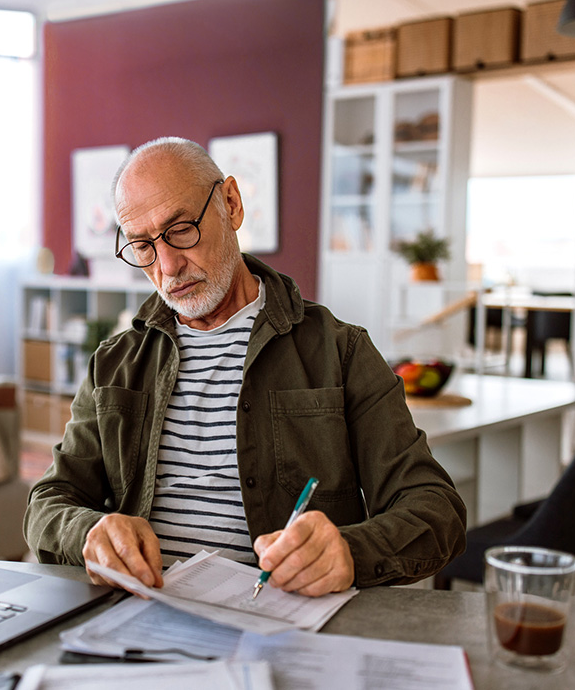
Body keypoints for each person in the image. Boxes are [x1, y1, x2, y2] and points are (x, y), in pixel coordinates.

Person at [24, 137, 466, 597]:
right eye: (142, 246)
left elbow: (437, 511)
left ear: (231, 204)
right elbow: (48, 504)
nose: (168, 266)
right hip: (142, 617)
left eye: (180, 230)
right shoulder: (114, 364)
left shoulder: (340, 351)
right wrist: (89, 534)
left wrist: (351, 552)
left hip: (285, 624)